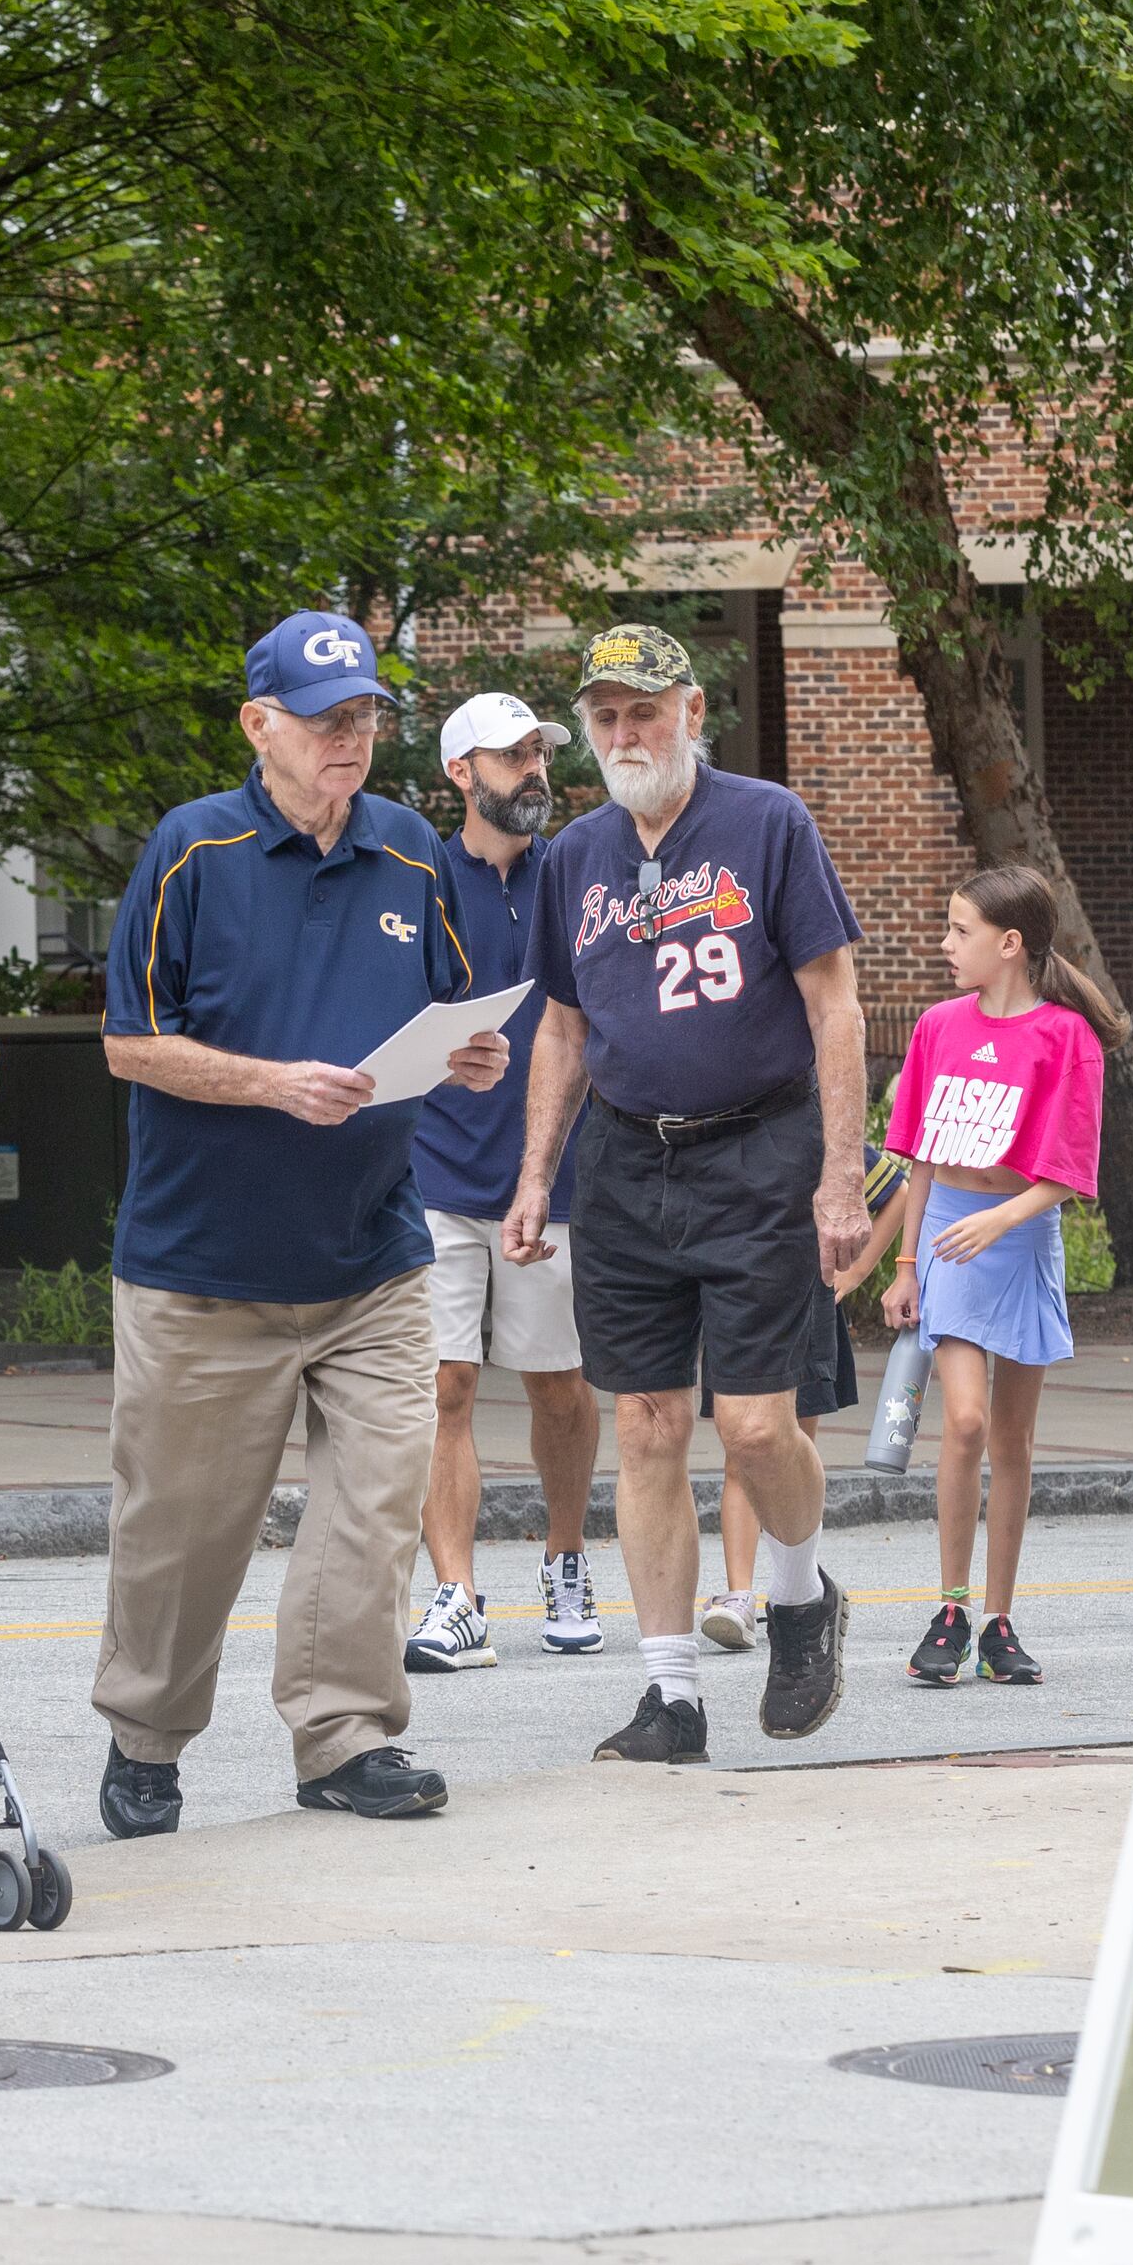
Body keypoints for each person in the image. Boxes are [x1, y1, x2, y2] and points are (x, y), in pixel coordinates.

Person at [91, 608, 510, 1837]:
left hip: (373, 1251)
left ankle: (344, 1736)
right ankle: (147, 1736)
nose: (352, 739)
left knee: (375, 1505)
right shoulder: (190, 850)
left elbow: (442, 1011)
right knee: (182, 1530)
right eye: (328, 720)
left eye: (368, 717)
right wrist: (272, 1081)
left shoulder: (412, 853)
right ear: (257, 726)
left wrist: (469, 1054)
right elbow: (127, 1044)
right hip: (203, 1269)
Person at [502, 622, 872, 1764]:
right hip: (624, 1163)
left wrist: (843, 1175)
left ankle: (803, 1595)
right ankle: (671, 1697)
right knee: (649, 1424)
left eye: (644, 712)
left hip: (759, 1154)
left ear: (693, 713)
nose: (626, 734)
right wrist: (534, 1177)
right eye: (606, 717)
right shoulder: (575, 858)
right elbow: (562, 1028)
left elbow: (836, 1005)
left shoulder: (767, 823)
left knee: (757, 1426)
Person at [404, 691, 602, 1673]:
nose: (533, 769)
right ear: (459, 775)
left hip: (554, 1177)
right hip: (436, 1169)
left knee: (560, 1386)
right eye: (511, 755)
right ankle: (458, 1594)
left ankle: (566, 1560)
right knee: (446, 1386)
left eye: (537, 752)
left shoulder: (575, 872)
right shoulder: (417, 878)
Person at [883, 867, 1106, 1685]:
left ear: (1010, 944)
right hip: (949, 1238)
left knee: (1011, 1439)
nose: (946, 945)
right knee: (966, 1423)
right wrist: (906, 1265)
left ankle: (1000, 1623)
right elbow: (920, 1159)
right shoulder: (938, 1026)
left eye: (960, 931)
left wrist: (1002, 1221)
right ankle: (950, 1608)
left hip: (1017, 1238)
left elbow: (1070, 1170)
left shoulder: (1066, 1038)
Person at [704, 1142, 912, 1649]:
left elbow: (898, 1193)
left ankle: (792, 1587)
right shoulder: (712, 1123)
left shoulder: (813, 1125)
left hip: (806, 1300)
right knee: (740, 1454)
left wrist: (856, 1272)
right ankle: (739, 1594)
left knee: (790, 1452)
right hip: (736, 1303)